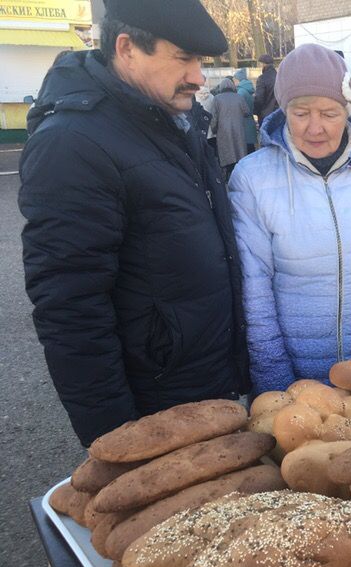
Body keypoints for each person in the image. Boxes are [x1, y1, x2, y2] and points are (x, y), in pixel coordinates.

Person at [18, 0, 248, 448]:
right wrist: (116, 439)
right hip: (153, 407)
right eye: (184, 58)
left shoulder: (170, 119)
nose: (199, 77)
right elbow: (70, 310)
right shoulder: (73, 144)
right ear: (126, 48)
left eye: (200, 61)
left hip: (203, 385)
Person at [229, 44, 351, 393]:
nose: (315, 128)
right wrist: (274, 377)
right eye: (301, 113)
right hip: (295, 380)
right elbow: (254, 288)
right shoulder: (252, 179)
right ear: (283, 109)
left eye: (329, 113)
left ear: (348, 111)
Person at [210, 77, 249, 177]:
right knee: (238, 150)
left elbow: (214, 117)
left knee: (226, 152)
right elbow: (247, 112)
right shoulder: (239, 97)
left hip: (223, 131)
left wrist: (213, 128)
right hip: (238, 130)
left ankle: (227, 174)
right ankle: (240, 173)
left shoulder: (217, 98)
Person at [234, 67, 258, 153]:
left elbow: (239, 108)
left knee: (247, 150)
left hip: (244, 122)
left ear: (239, 79)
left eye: (235, 79)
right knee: (251, 147)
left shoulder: (241, 92)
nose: (234, 81)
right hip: (250, 121)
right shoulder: (248, 89)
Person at [253, 53, 277, 124]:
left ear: (264, 64)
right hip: (279, 114)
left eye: (260, 64)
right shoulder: (279, 77)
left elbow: (259, 99)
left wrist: (255, 111)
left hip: (265, 115)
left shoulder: (262, 79)